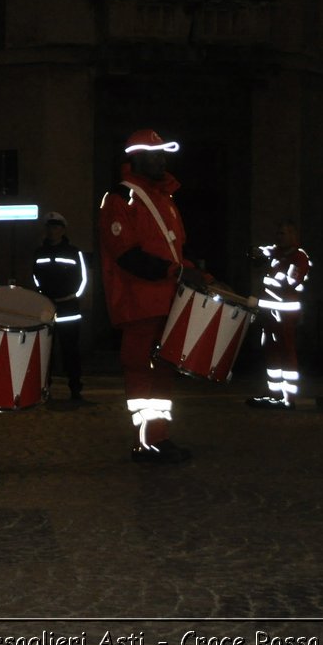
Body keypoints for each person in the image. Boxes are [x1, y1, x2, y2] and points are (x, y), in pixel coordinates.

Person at [97, 128, 207, 463]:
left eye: (163, 154)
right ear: (135, 158)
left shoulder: (164, 198)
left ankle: (158, 437)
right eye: (154, 153)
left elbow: (173, 254)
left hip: (166, 299)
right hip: (139, 302)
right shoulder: (120, 199)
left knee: (161, 373)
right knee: (142, 372)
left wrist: (199, 274)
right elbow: (127, 256)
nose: (161, 159)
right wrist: (177, 272)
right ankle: (146, 442)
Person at [246, 220, 311, 410]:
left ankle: (288, 397)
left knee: (286, 352)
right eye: (278, 233)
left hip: (284, 314)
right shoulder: (277, 253)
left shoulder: (299, 257)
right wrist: (257, 252)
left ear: (293, 236)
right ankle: (274, 394)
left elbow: (289, 281)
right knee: (271, 353)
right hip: (270, 313)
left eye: (283, 234)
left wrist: (261, 300)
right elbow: (258, 254)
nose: (279, 237)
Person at [31, 211, 89, 404]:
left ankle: (75, 389)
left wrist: (72, 297)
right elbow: (35, 277)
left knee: (70, 351)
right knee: (45, 352)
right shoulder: (39, 253)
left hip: (69, 309)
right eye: (49, 227)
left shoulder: (74, 252)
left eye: (56, 227)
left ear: (63, 230)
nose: (52, 230)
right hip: (46, 309)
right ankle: (44, 389)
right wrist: (41, 299)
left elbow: (83, 279)